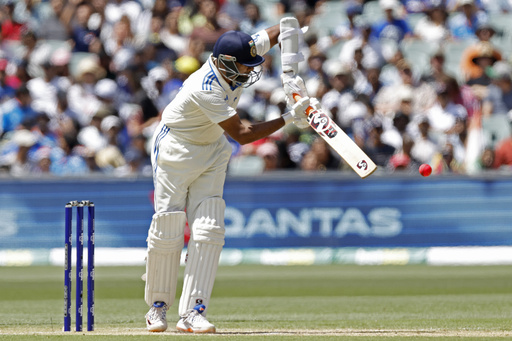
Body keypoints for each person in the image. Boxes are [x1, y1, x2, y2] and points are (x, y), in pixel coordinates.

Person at [144, 26, 310, 334]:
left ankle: (194, 311)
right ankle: (157, 307)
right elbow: (243, 135)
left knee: (209, 228)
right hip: (176, 150)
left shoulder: (238, 52)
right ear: (225, 62)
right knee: (168, 225)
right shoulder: (204, 87)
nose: (250, 70)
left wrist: (291, 31)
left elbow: (270, 36)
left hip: (213, 148)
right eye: (245, 65)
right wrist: (290, 118)